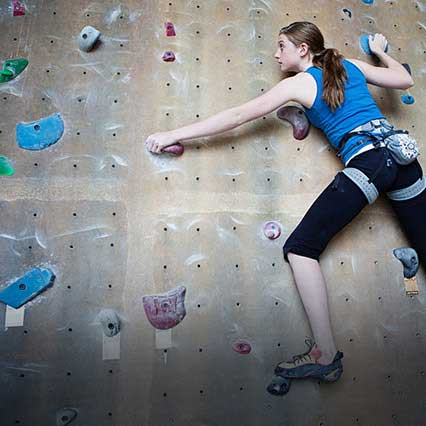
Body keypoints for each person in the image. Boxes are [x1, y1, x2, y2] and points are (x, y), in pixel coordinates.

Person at [145, 21, 424, 382]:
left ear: (303, 49)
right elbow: (404, 80)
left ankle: (324, 353)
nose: (277, 54)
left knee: (301, 248)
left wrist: (173, 133)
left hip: (368, 160)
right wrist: (382, 50)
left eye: (281, 46)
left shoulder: (299, 84)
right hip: (404, 158)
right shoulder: (350, 65)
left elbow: (238, 116)